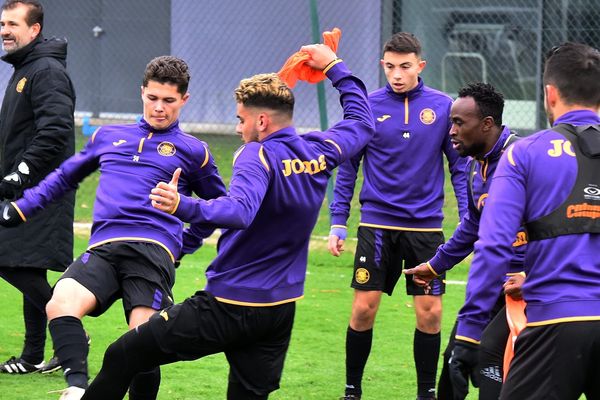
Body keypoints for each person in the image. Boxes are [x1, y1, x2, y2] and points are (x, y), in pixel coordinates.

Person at [78, 43, 375, 400]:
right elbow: (361, 122)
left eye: (240, 119)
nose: (238, 128)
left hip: (229, 305)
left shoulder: (257, 153)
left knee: (121, 354)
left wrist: (181, 205)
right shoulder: (320, 149)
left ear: (261, 121)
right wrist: (334, 67)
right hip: (278, 312)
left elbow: (238, 211)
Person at [0, 55, 226, 400]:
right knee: (59, 303)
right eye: (152, 98)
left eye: (168, 100)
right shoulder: (108, 136)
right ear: (142, 93)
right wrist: (20, 208)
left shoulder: (194, 151)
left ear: (184, 100)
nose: (159, 108)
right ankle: (77, 387)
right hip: (104, 247)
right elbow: (63, 177)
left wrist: (183, 244)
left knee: (143, 339)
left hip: (152, 252)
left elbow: (220, 209)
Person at [446, 41, 600, 399]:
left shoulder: (524, 154)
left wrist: (469, 332)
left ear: (550, 94)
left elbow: (493, 244)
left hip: (555, 324)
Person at [327, 32, 467, 400]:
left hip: (425, 228)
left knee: (430, 314)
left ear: (420, 65)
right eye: (390, 66)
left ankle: (426, 393)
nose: (397, 74)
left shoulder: (442, 106)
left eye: (405, 66)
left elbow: (460, 168)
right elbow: (348, 166)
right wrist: (339, 221)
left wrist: (470, 220)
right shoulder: (367, 106)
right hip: (375, 225)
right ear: (383, 66)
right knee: (363, 309)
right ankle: (352, 390)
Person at [404, 82, 526, 399]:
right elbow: (471, 227)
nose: (452, 131)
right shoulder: (474, 166)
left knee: (488, 360)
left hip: (529, 292)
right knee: (454, 360)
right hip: (491, 286)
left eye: (459, 123)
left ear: (486, 124)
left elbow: (558, 229)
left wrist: (532, 274)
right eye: (450, 123)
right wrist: (434, 265)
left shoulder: (524, 161)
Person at [0, 0, 75, 375]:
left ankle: (71, 332)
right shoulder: (26, 68)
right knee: (29, 265)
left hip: (42, 189)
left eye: (13, 23)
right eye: (1, 23)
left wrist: (22, 172)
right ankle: (32, 357)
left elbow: (55, 128)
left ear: (35, 30)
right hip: (26, 186)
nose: (4, 30)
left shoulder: (45, 70)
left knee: (9, 259)